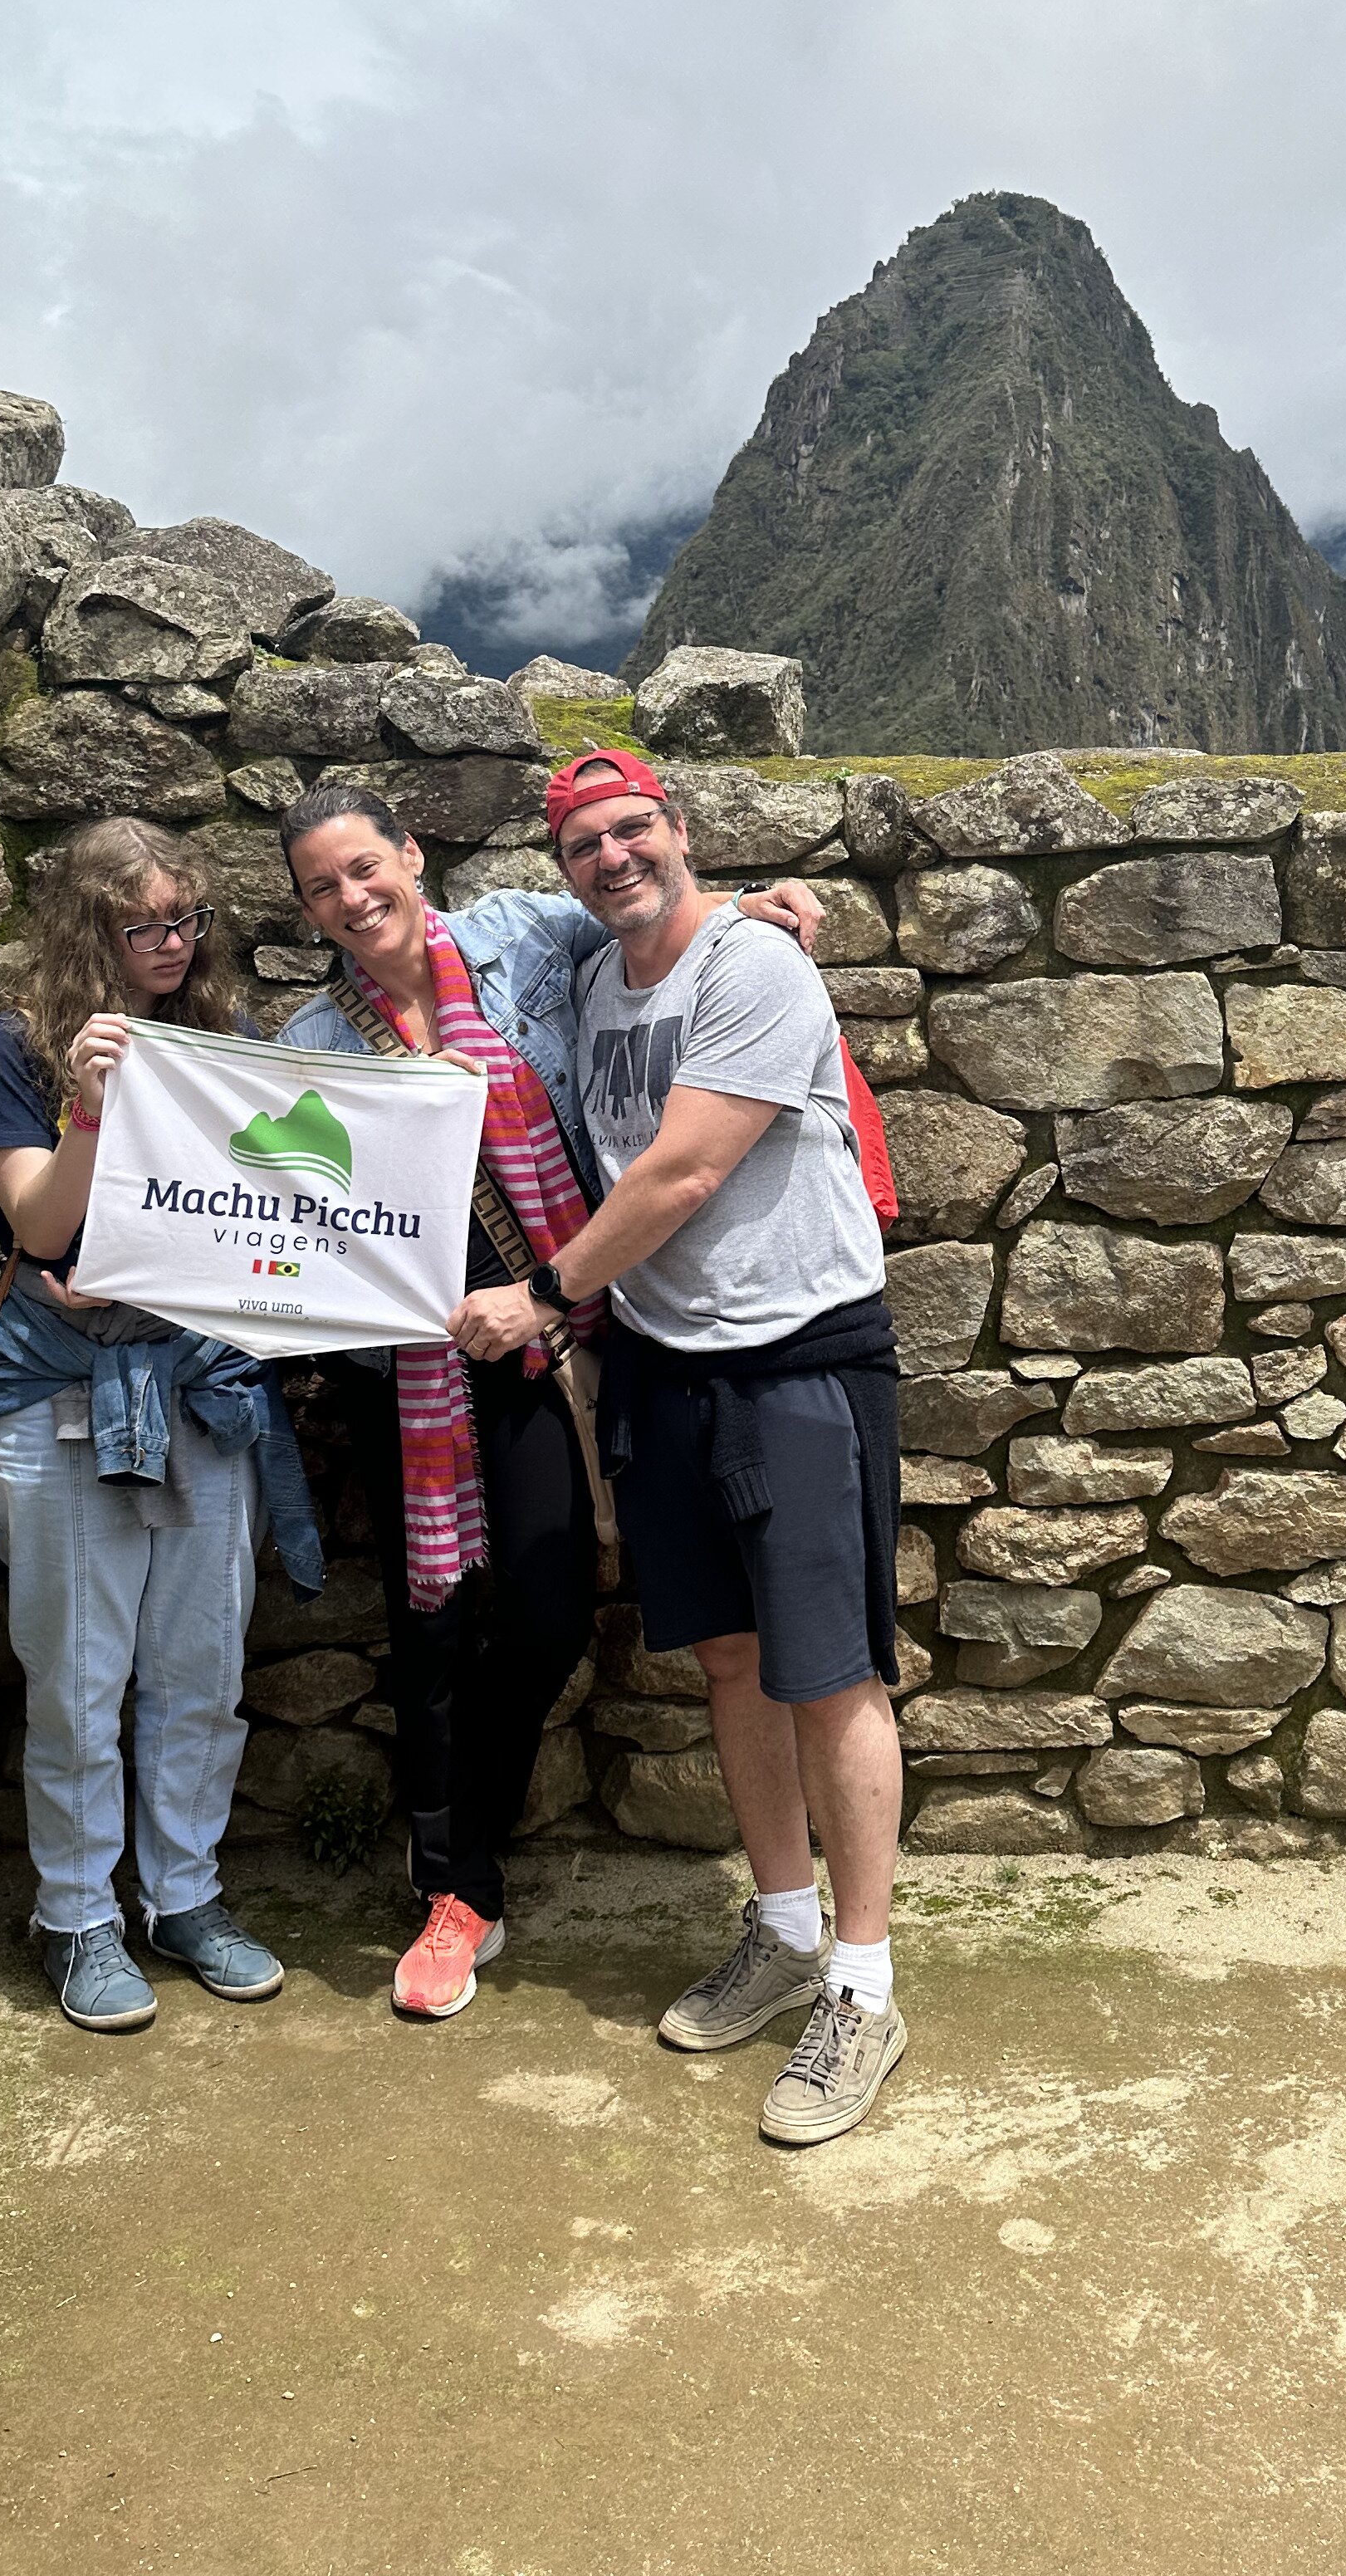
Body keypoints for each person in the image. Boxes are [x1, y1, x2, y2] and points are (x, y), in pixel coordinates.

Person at [272, 786, 830, 2021]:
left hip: (556, 1322)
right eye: (323, 888)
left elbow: (645, 923)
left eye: (368, 867)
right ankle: (456, 1890)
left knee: (545, 1605)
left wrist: (745, 907)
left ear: (412, 856)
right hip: (414, 1357)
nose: (354, 899)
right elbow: (270, 1200)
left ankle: (464, 1852)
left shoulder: (522, 936)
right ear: (305, 907)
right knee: (432, 1625)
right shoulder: (314, 1038)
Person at [451, 749, 904, 2148]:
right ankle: (777, 1927)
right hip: (664, 1365)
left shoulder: (755, 973)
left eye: (633, 829)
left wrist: (543, 1294)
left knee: (830, 1670)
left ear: (678, 830)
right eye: (586, 844)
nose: (613, 858)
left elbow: (686, 1168)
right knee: (728, 1658)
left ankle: (864, 1987)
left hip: (794, 1361)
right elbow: (433, 938)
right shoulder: (594, 982)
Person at [0, 816, 323, 2034]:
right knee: (77, 1681)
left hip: (200, 1384)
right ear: (89, 930)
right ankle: (77, 1919)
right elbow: (43, 1232)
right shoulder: (16, 1049)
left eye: (187, 920)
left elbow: (257, 1214)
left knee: (203, 1675)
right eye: (143, 924)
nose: (171, 943)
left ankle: (182, 1898)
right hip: (58, 1393)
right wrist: (94, 1110)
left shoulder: (225, 1036)